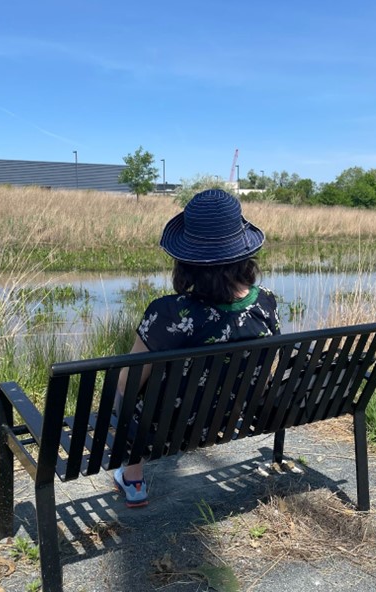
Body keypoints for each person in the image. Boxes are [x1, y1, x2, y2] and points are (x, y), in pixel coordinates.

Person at [113, 188, 281, 508]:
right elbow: (264, 370)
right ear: (243, 253)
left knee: (123, 386)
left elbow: (128, 383)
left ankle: (133, 478)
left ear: (186, 261)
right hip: (234, 417)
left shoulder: (168, 312)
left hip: (166, 429)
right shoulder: (266, 301)